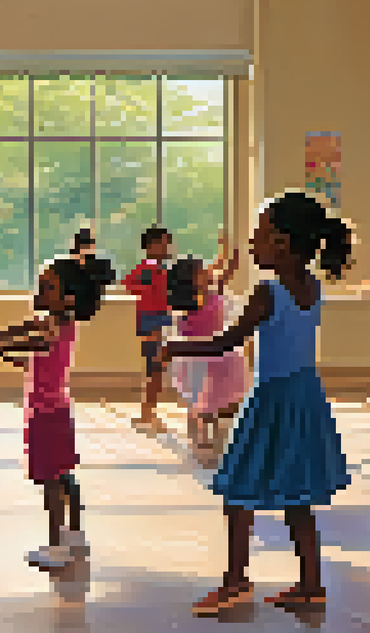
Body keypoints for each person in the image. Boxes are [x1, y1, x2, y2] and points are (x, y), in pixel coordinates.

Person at [161, 192, 354, 613]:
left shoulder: (268, 291)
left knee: (237, 492)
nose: (251, 245)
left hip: (273, 400)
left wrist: (175, 347)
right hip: (305, 396)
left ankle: (235, 584)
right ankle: (311, 585)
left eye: (258, 236)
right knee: (297, 496)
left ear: (282, 243)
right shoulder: (312, 286)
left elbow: (227, 342)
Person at [0, 252, 115, 571]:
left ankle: (57, 546)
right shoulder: (55, 323)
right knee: (64, 475)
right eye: (40, 285)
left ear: (68, 297)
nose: (39, 292)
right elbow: (12, 342)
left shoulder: (50, 330)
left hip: (46, 415)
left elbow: (4, 344)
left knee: (51, 482)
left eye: (47, 287)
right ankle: (74, 534)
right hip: (55, 410)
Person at [165, 232, 247, 458]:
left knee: (223, 403)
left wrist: (232, 249)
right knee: (200, 405)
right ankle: (200, 442)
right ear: (190, 280)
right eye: (201, 272)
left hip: (222, 357)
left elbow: (229, 269)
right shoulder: (184, 304)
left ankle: (220, 442)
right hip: (196, 359)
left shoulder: (214, 291)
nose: (207, 272)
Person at [125, 227, 176, 433]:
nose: (168, 247)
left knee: (157, 370)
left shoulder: (160, 268)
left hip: (158, 319)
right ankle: (147, 414)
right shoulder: (150, 266)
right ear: (152, 246)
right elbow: (130, 284)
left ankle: (149, 413)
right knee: (154, 369)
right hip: (151, 320)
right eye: (164, 243)